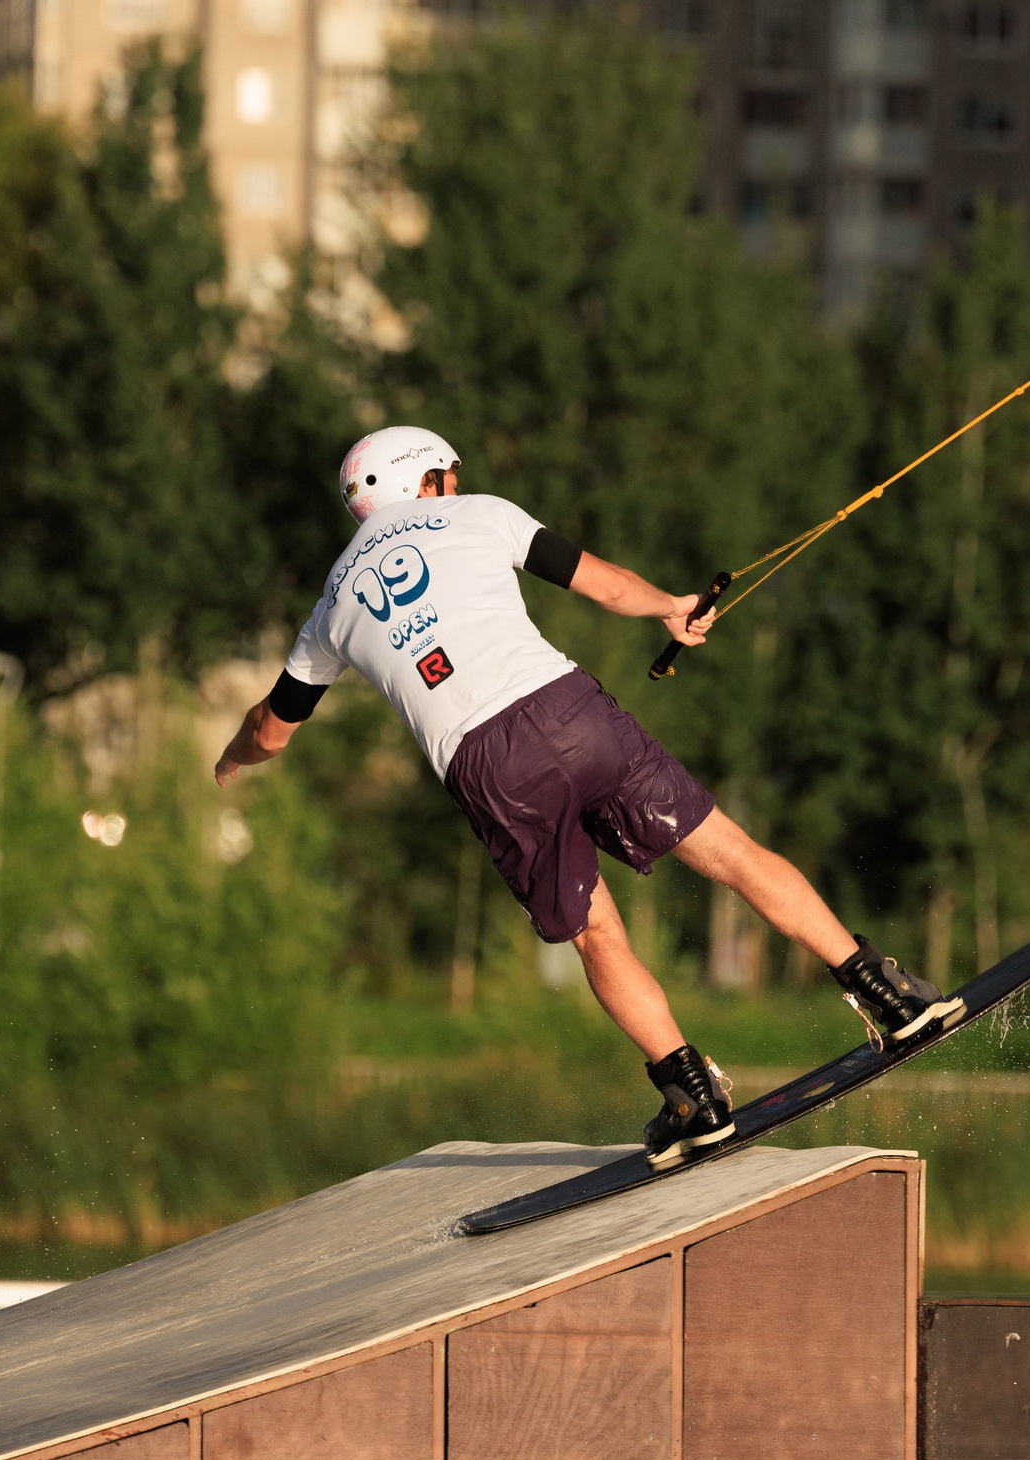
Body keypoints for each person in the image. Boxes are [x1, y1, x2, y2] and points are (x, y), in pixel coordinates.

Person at [214, 426, 945, 1168]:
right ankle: (887, 993)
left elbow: (271, 733)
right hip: (569, 713)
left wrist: (232, 756)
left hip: (488, 768)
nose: (457, 487)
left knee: (598, 933)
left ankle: (692, 1095)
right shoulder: (480, 514)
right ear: (424, 480)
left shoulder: (331, 604)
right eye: (450, 476)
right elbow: (609, 586)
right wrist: (673, 607)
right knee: (730, 851)